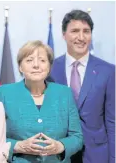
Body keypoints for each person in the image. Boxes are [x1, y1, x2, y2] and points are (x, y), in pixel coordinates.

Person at [0, 40, 83, 163]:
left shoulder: (65, 94)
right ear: (20, 67)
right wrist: (18, 146)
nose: (36, 65)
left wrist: (61, 146)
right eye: (29, 60)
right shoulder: (4, 93)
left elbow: (77, 137)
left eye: (42, 60)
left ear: (49, 67)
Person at [50, 9, 115, 163]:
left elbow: (113, 120)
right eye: (75, 31)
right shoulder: (51, 69)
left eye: (86, 31)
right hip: (60, 153)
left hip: (97, 154)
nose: (81, 37)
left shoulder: (108, 71)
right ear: (64, 34)